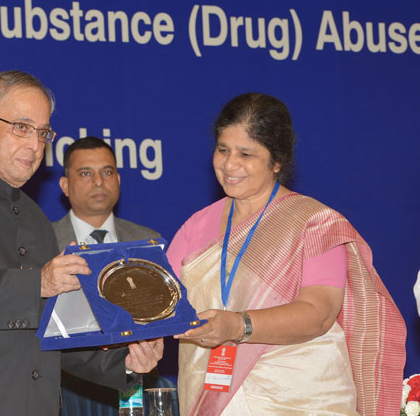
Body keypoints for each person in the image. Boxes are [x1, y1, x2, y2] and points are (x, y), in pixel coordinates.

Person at [0, 70, 163, 416]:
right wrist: (39, 283)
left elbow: (55, 326)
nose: (35, 145)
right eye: (21, 127)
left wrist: (125, 362)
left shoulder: (36, 220)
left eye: (43, 133)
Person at [168, 93, 405, 415]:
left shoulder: (313, 223)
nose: (229, 164)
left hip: (301, 399)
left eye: (246, 154)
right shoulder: (197, 226)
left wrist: (237, 326)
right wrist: (148, 341)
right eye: (223, 149)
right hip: (212, 396)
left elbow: (319, 313)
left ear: (277, 161)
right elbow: (162, 305)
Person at [52, 136, 162, 412]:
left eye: (107, 172)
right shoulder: (43, 245)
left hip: (136, 383)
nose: (99, 181)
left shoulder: (148, 241)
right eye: (86, 173)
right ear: (65, 185)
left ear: (119, 180)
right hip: (64, 389)